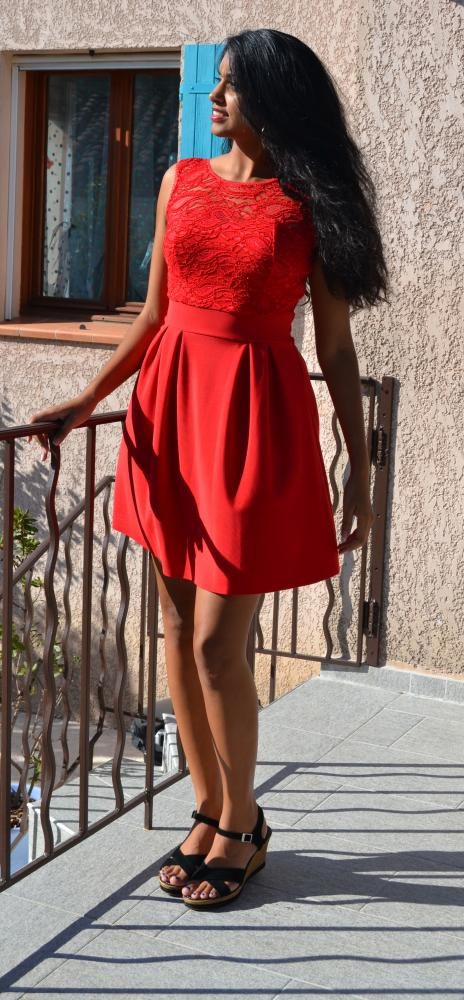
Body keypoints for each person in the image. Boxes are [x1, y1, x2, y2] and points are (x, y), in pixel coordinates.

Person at [30, 28, 388, 909]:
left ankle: (244, 824)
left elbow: (336, 350)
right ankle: (209, 809)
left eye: (231, 86)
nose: (214, 98)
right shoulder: (178, 180)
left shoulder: (310, 205)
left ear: (275, 98)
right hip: (169, 413)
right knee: (175, 629)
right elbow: (154, 315)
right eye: (216, 83)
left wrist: (359, 466)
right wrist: (84, 400)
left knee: (218, 647)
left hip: (254, 422)